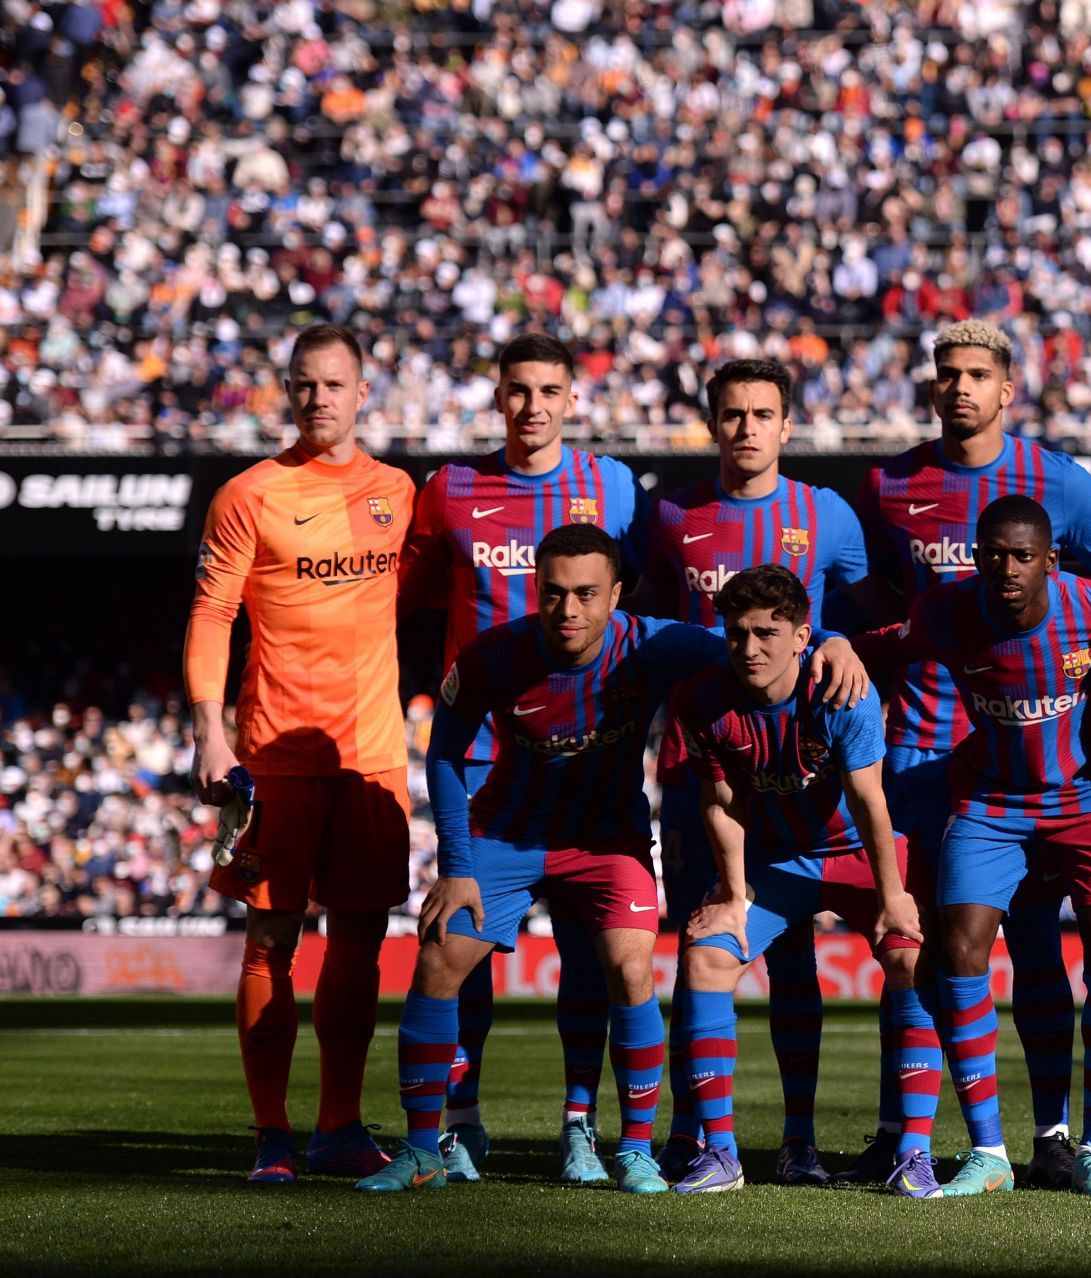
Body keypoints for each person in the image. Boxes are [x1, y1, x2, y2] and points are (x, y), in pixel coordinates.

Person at [355, 527, 870, 1193]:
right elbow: (446, 753)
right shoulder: (493, 655)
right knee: (437, 958)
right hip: (508, 834)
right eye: (555, 594)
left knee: (631, 969)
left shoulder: (652, 643)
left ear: (617, 595)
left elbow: (758, 642)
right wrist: (455, 866)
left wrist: (833, 639)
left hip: (607, 842)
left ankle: (632, 1150)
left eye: (587, 594)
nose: (569, 610)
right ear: (536, 591)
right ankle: (424, 1148)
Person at [845, 319, 1091, 1189]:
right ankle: (909, 1134)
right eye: (946, 373)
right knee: (920, 947)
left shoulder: (1062, 483)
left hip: (1027, 755)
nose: (960, 387)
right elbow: (881, 601)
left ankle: (1049, 1134)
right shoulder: (891, 483)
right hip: (925, 749)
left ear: (1008, 388)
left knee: (1038, 944)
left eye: (977, 374)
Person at [397, 330, 648, 1185]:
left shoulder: (612, 485)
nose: (532, 407)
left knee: (590, 948)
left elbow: (635, 599)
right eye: (517, 391)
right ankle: (460, 1122)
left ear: (572, 399)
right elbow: (415, 593)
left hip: (579, 760)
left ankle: (580, 1124)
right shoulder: (450, 491)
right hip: (478, 760)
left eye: (549, 391)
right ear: (496, 398)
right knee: (460, 945)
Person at [866, 495, 1091, 1197]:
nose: (1007, 567)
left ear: (1050, 561)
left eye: (1023, 555)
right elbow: (880, 639)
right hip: (992, 802)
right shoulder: (946, 610)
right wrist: (840, 644)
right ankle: (989, 1152)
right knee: (960, 948)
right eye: (993, 553)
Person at [185, 323, 416, 1183]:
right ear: (289, 391)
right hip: (275, 755)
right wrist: (210, 729)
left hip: (373, 756)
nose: (318, 398)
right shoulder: (249, 493)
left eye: (333, 384)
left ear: (363, 392)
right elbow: (212, 617)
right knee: (269, 944)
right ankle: (271, 1135)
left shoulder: (400, 491)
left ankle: (339, 1127)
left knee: (358, 943)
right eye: (304, 384)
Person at [637, 358, 875, 1187]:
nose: (746, 427)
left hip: (791, 774)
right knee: (699, 942)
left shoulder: (828, 515)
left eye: (762, 413)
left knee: (795, 959)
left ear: (786, 424)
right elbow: (653, 626)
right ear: (713, 421)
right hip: (699, 765)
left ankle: (799, 1138)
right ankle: (691, 1134)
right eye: (731, 413)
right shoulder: (670, 514)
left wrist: (839, 639)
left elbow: (856, 614)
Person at [664, 565, 935, 1196]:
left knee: (910, 959)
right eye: (736, 634)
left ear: (800, 635)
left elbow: (869, 800)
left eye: (767, 632)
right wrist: (733, 895)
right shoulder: (701, 698)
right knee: (705, 958)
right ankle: (723, 1154)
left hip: (856, 854)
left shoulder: (841, 690)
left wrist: (894, 896)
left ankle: (913, 1154)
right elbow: (720, 800)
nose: (750, 648)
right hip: (775, 862)